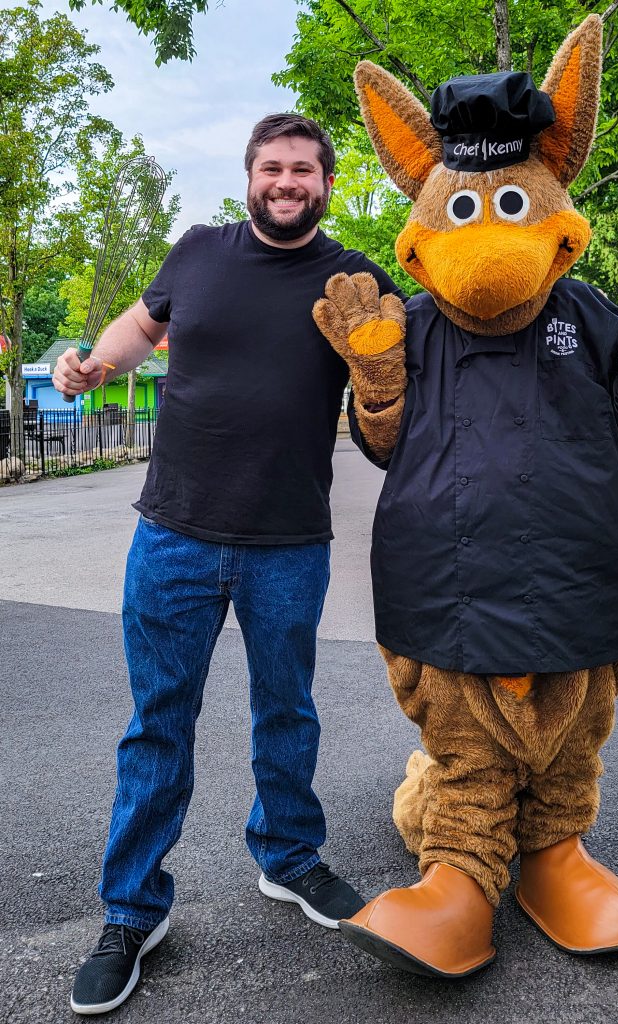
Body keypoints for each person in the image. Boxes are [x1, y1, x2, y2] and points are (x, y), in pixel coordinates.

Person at [54, 113, 403, 1016]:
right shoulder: (198, 251)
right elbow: (138, 325)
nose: (288, 183)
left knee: (287, 708)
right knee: (158, 721)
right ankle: (133, 912)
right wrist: (90, 364)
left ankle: (288, 858)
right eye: (273, 168)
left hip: (288, 540)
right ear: (250, 175)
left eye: (305, 171)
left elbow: (404, 367)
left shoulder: (355, 277)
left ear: (326, 183)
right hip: (172, 534)